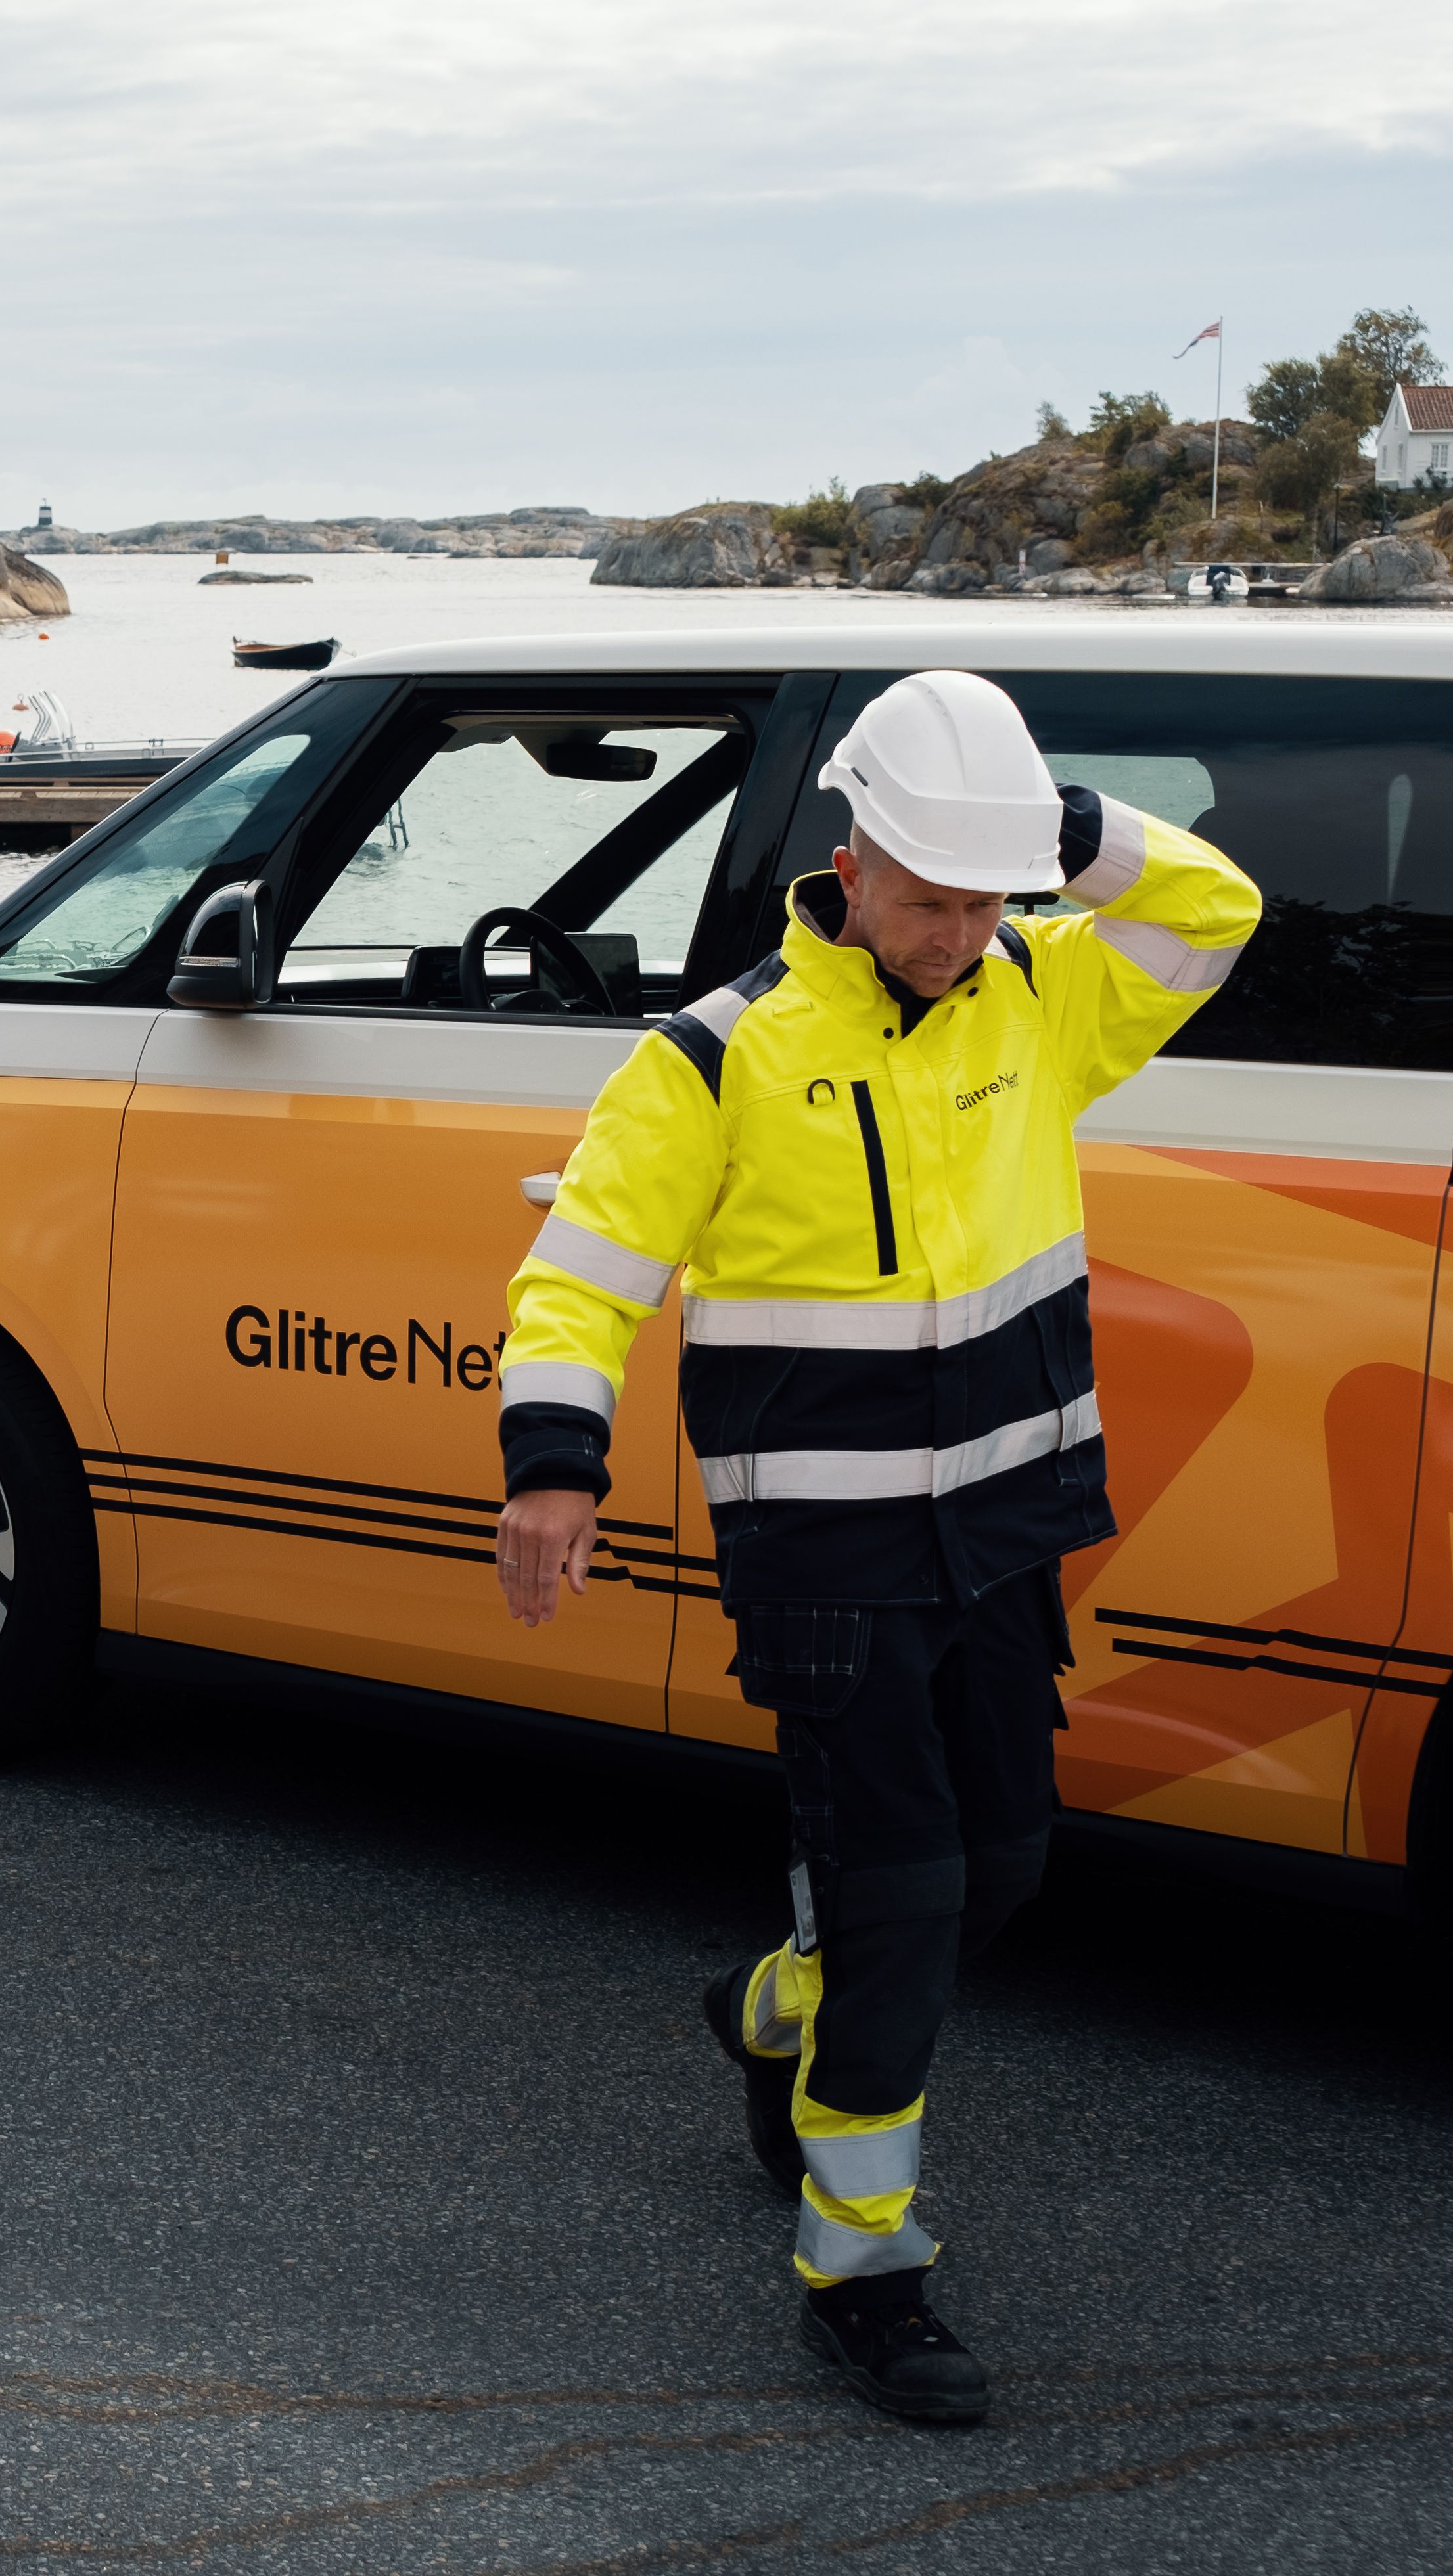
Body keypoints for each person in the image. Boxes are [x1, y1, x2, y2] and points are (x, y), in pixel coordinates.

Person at [490, 671, 1257, 2424]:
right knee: (908, 1912)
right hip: (825, 1567)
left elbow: (1213, 909)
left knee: (1001, 1874)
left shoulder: (1041, 997)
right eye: (931, 893)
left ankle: (774, 2002)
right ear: (852, 862)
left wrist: (1055, 832)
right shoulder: (713, 1052)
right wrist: (554, 1458)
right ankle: (864, 2269)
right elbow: (582, 1273)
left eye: (989, 894)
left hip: (1001, 1539)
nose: (960, 928)